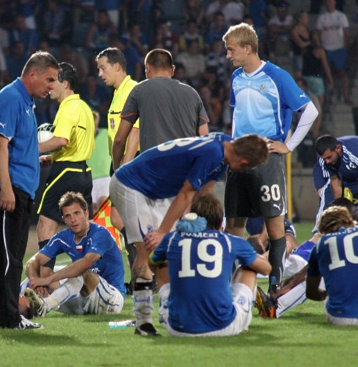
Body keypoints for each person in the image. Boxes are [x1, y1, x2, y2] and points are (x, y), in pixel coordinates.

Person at [111, 133, 269, 335]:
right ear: (244, 161)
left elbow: (204, 194)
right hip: (132, 184)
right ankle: (143, 321)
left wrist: (209, 228)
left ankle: (187, 308)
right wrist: (162, 231)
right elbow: (187, 194)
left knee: (180, 245)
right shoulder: (214, 153)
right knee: (148, 249)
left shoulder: (223, 145)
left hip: (155, 190)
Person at [222, 22, 318, 293]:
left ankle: (275, 289)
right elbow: (237, 116)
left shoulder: (276, 76)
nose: (228, 55)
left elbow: (309, 111)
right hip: (238, 160)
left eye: (231, 50)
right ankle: (229, 286)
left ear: (247, 48)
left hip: (267, 160)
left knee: (275, 228)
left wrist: (289, 145)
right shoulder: (237, 78)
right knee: (234, 226)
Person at [0, 51, 59, 330]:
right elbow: (0, 144)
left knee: (12, 257)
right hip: (7, 190)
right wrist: (6, 188)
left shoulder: (25, 103)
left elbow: (13, 147)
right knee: (4, 258)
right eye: (49, 79)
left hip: (18, 188)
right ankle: (8, 320)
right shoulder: (12, 98)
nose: (52, 86)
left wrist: (32, 161)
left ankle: (10, 318)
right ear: (32, 74)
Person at [151, 194, 270, 337]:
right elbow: (266, 269)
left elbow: (151, 263)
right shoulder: (229, 240)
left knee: (161, 265)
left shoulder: (172, 238)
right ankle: (242, 316)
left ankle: (167, 307)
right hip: (224, 326)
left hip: (178, 329)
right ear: (220, 224)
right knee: (249, 268)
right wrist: (255, 255)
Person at [23, 191, 125, 317]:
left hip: (111, 300)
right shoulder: (63, 237)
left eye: (77, 213)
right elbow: (32, 262)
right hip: (82, 302)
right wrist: (35, 281)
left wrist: (48, 279)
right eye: (68, 216)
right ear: (63, 219)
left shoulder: (100, 234)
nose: (73, 219)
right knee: (32, 278)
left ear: (86, 213)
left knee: (80, 271)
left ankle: (45, 305)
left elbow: (86, 263)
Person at [111, 49, 210, 166]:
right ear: (173, 70)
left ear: (148, 68)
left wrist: (117, 168)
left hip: (154, 170)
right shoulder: (192, 93)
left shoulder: (139, 90)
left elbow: (119, 140)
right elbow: (205, 139)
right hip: (185, 170)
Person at [36, 63, 95, 247]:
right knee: (84, 229)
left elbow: (61, 140)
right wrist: (52, 158)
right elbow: (77, 144)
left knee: (45, 225)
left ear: (66, 83)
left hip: (66, 172)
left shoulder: (67, 108)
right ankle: (88, 274)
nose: (49, 86)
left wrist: (32, 148)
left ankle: (44, 274)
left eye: (53, 81)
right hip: (84, 172)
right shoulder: (84, 107)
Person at [96, 47, 139, 165]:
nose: (100, 74)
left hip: (130, 161)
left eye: (103, 68)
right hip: (120, 160)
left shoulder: (131, 90)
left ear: (116, 66)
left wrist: (124, 169)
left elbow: (135, 132)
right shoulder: (118, 92)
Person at [315, 0, 351, 104]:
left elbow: (346, 32)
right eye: (327, 2)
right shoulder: (322, 17)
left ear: (334, 2)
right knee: (326, 73)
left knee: (342, 73)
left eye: (331, 1)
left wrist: (345, 45)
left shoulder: (341, 16)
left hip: (339, 48)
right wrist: (320, 45)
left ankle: (345, 96)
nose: (329, 3)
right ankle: (326, 96)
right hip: (326, 48)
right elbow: (318, 33)